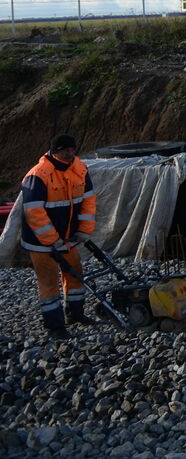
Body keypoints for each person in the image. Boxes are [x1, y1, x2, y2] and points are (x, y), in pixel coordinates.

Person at [19, 134, 96, 338]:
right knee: (49, 282)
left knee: (75, 274)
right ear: (54, 152)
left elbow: (88, 201)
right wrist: (52, 240)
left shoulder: (80, 169)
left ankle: (75, 313)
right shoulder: (38, 175)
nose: (70, 154)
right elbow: (34, 212)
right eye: (65, 151)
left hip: (67, 238)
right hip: (40, 242)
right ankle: (55, 327)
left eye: (72, 150)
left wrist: (84, 231)